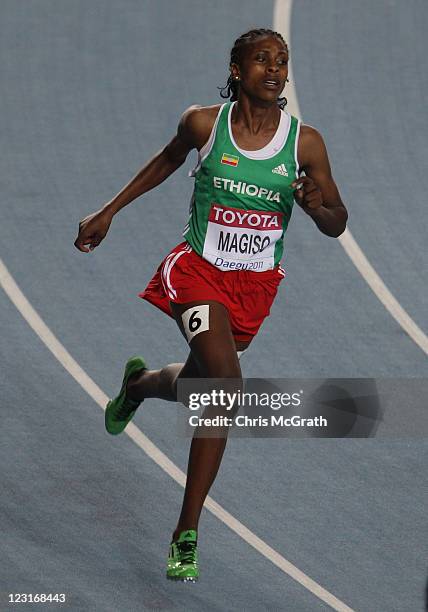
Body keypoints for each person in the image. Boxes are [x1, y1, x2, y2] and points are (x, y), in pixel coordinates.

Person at [74, 28, 348, 582]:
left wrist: (318, 207)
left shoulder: (305, 144)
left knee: (205, 384)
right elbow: (166, 161)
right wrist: (109, 211)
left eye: (282, 61)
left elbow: (338, 222)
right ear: (237, 69)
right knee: (225, 385)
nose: (274, 69)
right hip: (196, 272)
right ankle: (186, 531)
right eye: (262, 59)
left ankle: (139, 385)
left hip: (254, 288)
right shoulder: (205, 124)